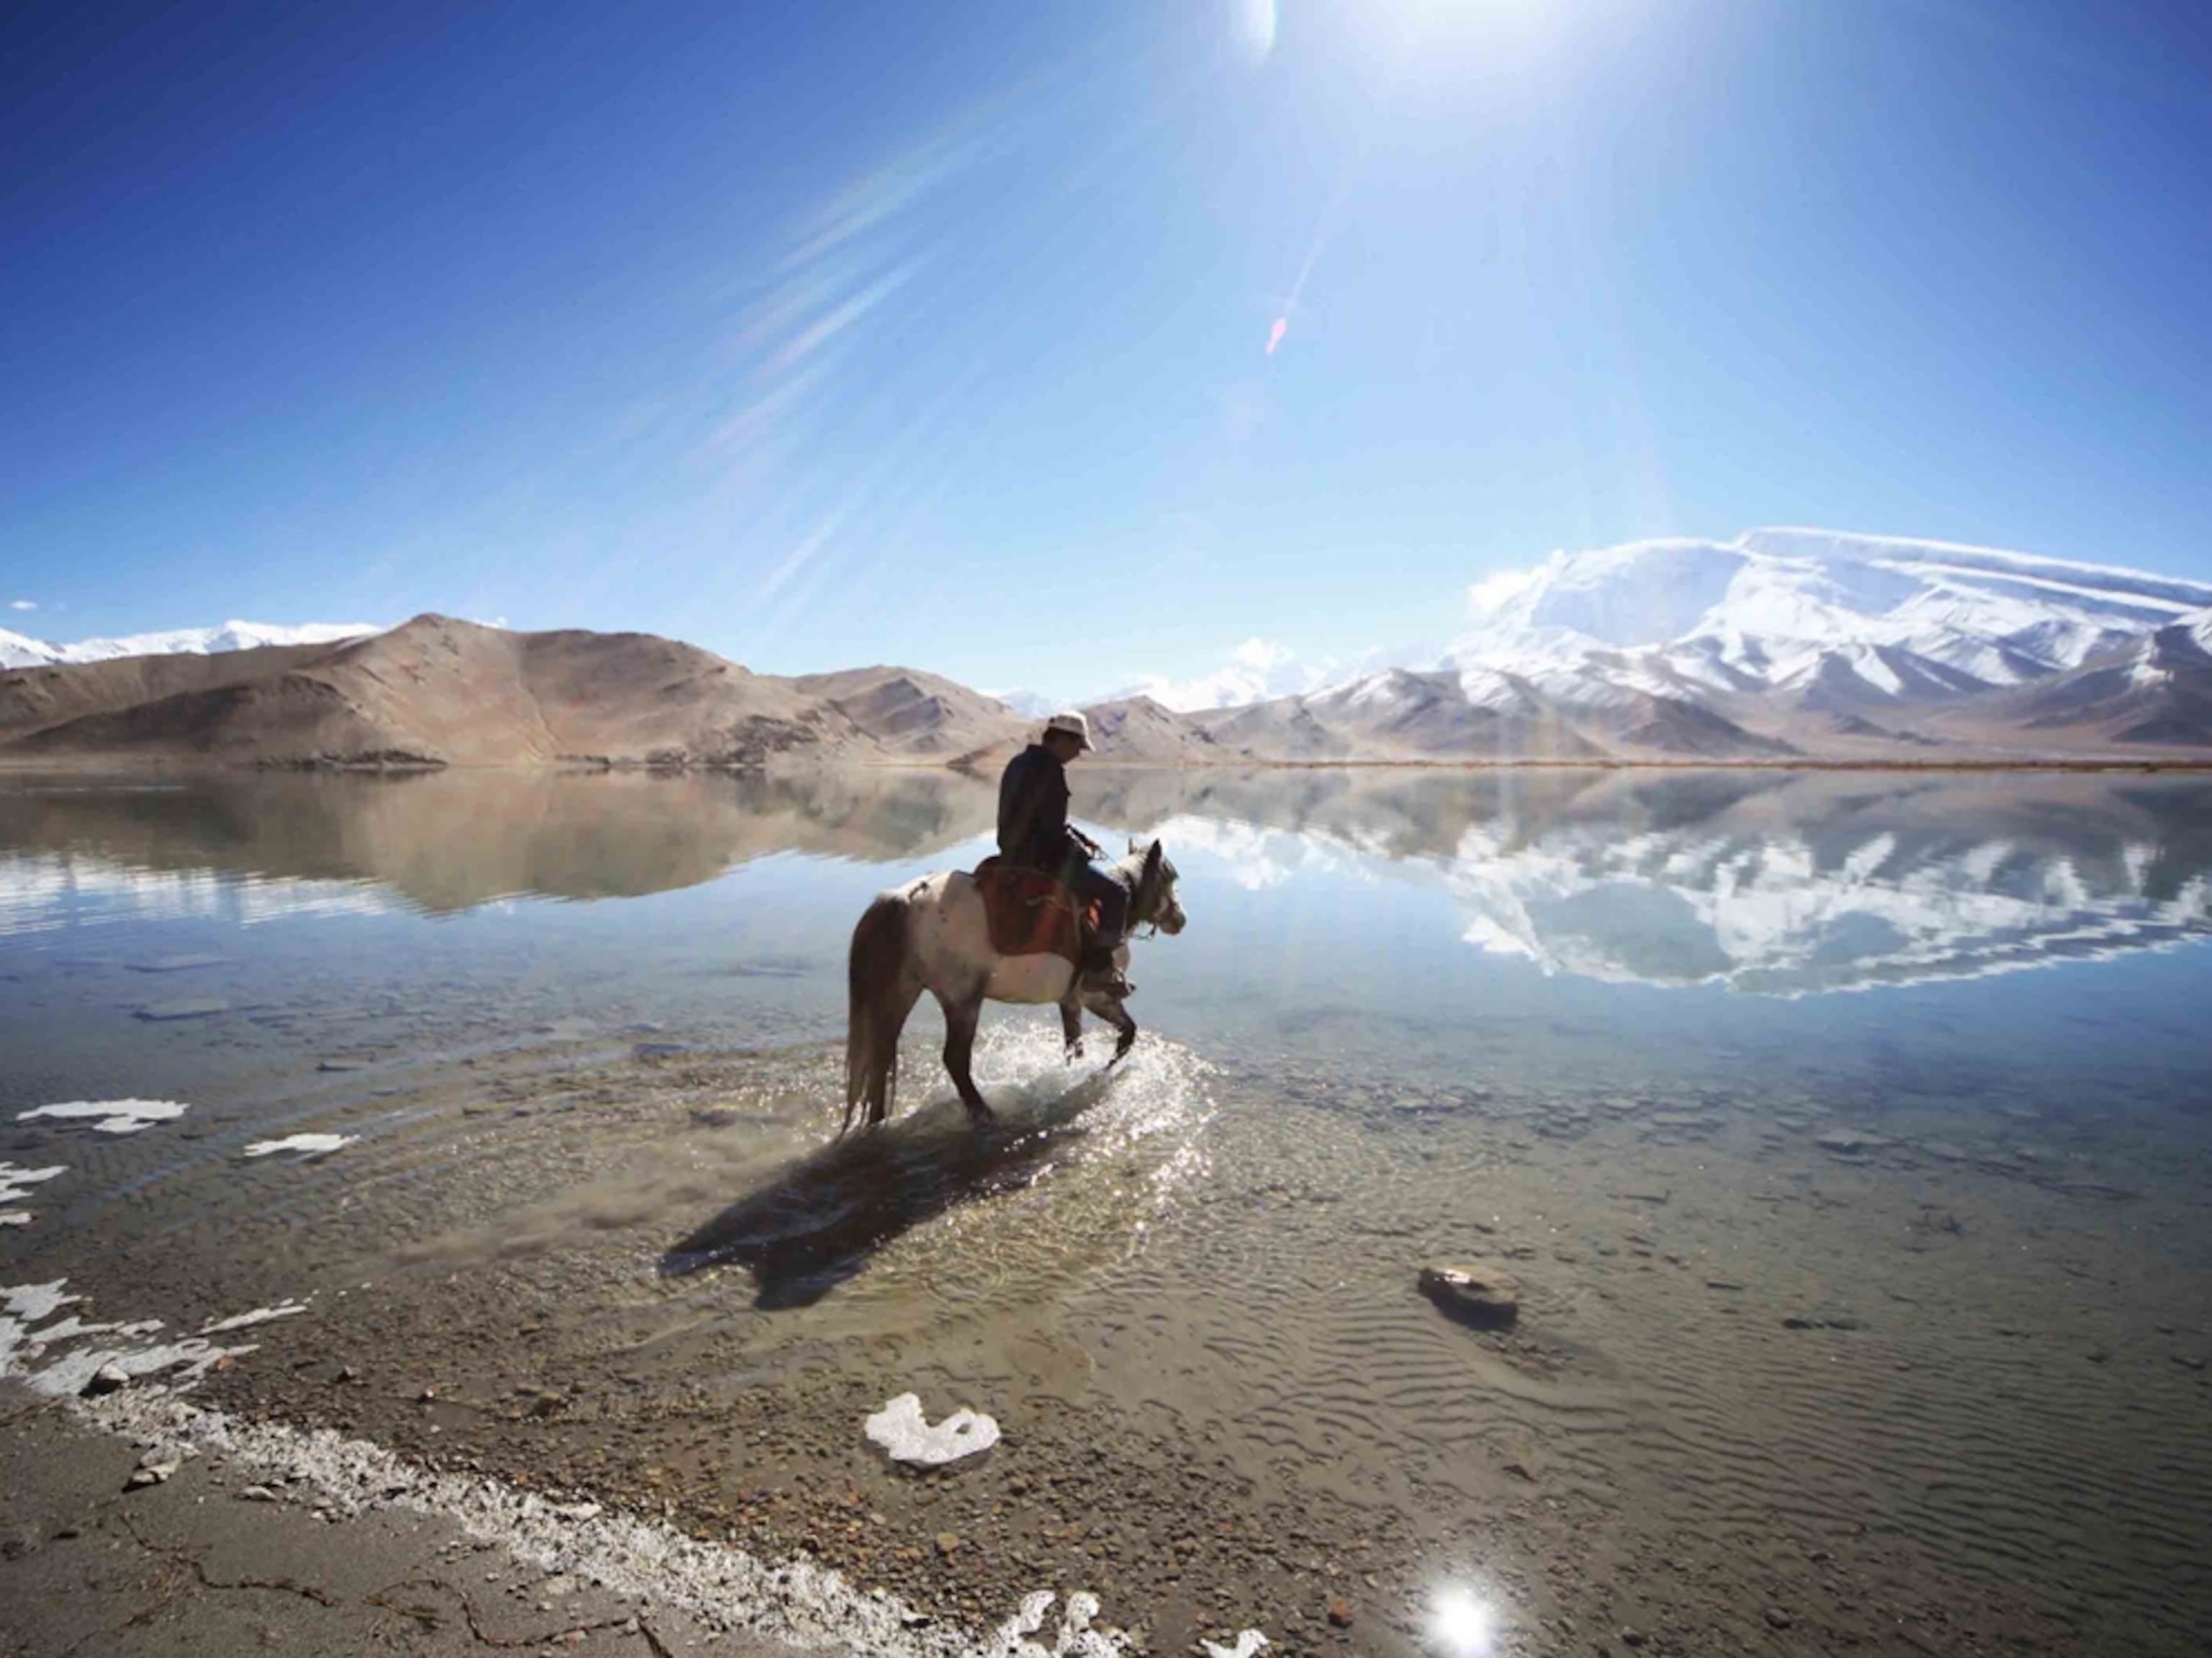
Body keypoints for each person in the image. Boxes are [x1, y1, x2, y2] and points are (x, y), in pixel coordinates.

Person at [997, 711, 1133, 995]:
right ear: (1062, 740)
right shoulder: (1050, 770)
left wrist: (1076, 835)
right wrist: (1078, 851)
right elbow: (1050, 833)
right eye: (1077, 747)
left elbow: (1035, 815)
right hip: (1041, 857)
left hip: (1011, 851)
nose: (1077, 754)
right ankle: (1099, 969)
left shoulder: (1020, 762)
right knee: (1117, 892)